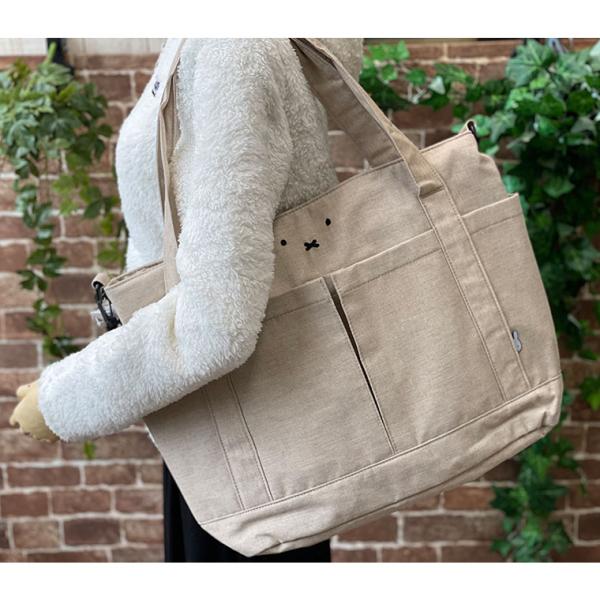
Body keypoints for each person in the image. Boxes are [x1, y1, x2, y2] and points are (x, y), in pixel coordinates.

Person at [10, 38, 364, 562]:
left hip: (244, 436)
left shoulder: (232, 46)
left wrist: (62, 399)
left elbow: (218, 320)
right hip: (230, 423)